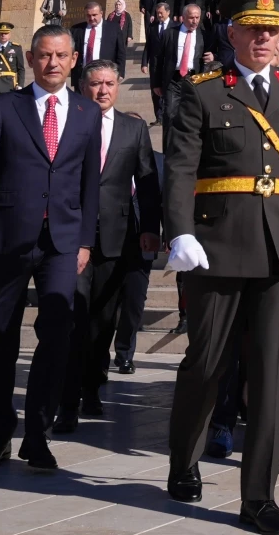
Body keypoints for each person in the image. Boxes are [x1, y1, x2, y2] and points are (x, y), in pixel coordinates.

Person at [161, 0, 279, 535]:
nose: (263, 38)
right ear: (231, 33)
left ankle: (258, 497)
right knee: (207, 364)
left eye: (272, 31)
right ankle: (183, 462)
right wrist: (180, 232)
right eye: (252, 29)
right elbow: (181, 167)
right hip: (218, 246)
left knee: (274, 372)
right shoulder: (202, 90)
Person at [0, 24, 100, 472]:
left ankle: (37, 433)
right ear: (31, 60)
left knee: (57, 335)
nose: (52, 63)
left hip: (62, 240)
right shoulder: (3, 107)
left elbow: (88, 182)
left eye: (61, 55)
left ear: (73, 60)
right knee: (1, 337)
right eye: (43, 55)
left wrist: (85, 241)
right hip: (7, 237)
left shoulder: (87, 112)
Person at [56, 61, 159, 430]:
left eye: (109, 84)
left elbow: (146, 180)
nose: (102, 90)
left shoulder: (134, 128)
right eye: (95, 83)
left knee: (102, 319)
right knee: (73, 317)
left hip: (117, 239)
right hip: (71, 236)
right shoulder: (68, 121)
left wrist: (150, 227)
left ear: (118, 87)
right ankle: (66, 402)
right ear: (82, 87)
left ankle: (92, 387)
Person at [150, 4, 208, 128]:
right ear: (183, 18)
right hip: (173, 80)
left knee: (192, 116)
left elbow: (208, 54)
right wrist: (156, 83)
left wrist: (212, 57)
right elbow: (157, 59)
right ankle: (168, 146)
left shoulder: (203, 35)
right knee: (170, 113)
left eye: (197, 17)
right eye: (192, 18)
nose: (195, 21)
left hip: (193, 79)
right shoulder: (169, 34)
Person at [71, 2, 128, 86]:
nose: (91, 18)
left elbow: (121, 52)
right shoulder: (76, 30)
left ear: (101, 13)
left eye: (94, 15)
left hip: (104, 75)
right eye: (88, 15)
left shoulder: (113, 28)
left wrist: (121, 73)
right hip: (81, 76)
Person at [0, 23, 25, 94]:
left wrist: (20, 85)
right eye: (1, 33)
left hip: (9, 86)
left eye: (6, 33)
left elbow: (21, 69)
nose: (3, 35)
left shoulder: (16, 48)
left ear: (10, 35)